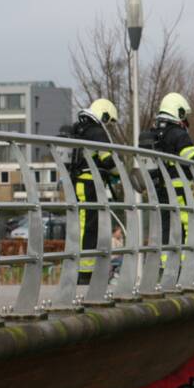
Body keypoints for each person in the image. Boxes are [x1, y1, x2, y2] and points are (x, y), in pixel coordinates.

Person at [141, 93, 194, 255]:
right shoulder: (178, 134)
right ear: (179, 111)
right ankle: (185, 268)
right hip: (179, 188)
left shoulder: (152, 133)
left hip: (157, 188)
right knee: (188, 228)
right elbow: (193, 158)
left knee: (165, 228)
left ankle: (165, 268)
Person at [66, 98, 119, 285]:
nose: (106, 125)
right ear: (103, 114)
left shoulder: (77, 129)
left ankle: (81, 269)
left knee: (80, 225)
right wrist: (117, 174)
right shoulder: (96, 132)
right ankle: (85, 272)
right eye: (107, 121)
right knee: (89, 227)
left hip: (75, 182)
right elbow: (109, 161)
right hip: (89, 184)